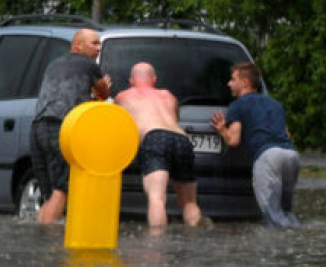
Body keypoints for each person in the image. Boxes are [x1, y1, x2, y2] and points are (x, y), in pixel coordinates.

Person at [31, 28, 112, 224]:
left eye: (99, 44)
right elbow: (104, 96)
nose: (99, 48)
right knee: (62, 191)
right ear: (78, 45)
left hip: (37, 127)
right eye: (94, 43)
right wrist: (104, 88)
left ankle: (40, 237)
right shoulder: (89, 65)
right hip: (60, 127)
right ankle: (49, 239)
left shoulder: (53, 64)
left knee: (50, 196)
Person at [210, 61, 302, 227]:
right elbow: (287, 134)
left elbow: (233, 141)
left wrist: (222, 129)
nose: (229, 84)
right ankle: (300, 236)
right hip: (291, 156)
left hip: (268, 158)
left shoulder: (237, 105)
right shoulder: (275, 104)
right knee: (286, 211)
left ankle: (279, 243)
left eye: (233, 79)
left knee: (272, 216)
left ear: (245, 82)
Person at [114, 62, 204, 228]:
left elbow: (117, 126)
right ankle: (196, 237)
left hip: (154, 138)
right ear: (154, 80)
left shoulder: (123, 97)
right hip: (182, 140)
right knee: (189, 202)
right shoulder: (168, 96)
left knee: (157, 198)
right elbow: (174, 120)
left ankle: (157, 243)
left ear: (131, 81)